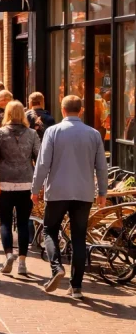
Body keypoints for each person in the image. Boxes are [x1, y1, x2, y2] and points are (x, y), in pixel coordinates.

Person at [31, 95, 108, 299]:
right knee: (79, 237)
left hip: (57, 190)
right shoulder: (93, 134)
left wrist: (35, 189)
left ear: (62, 110)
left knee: (49, 230)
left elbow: (42, 163)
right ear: (80, 111)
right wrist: (102, 192)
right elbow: (101, 166)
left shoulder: (52, 132)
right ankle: (76, 287)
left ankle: (57, 268)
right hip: (83, 192)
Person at [0, 101, 40, 277]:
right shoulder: (32, 134)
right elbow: (38, 156)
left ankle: (8, 255)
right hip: (26, 182)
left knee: (4, 221)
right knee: (23, 222)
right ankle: (22, 262)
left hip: (4, 181)